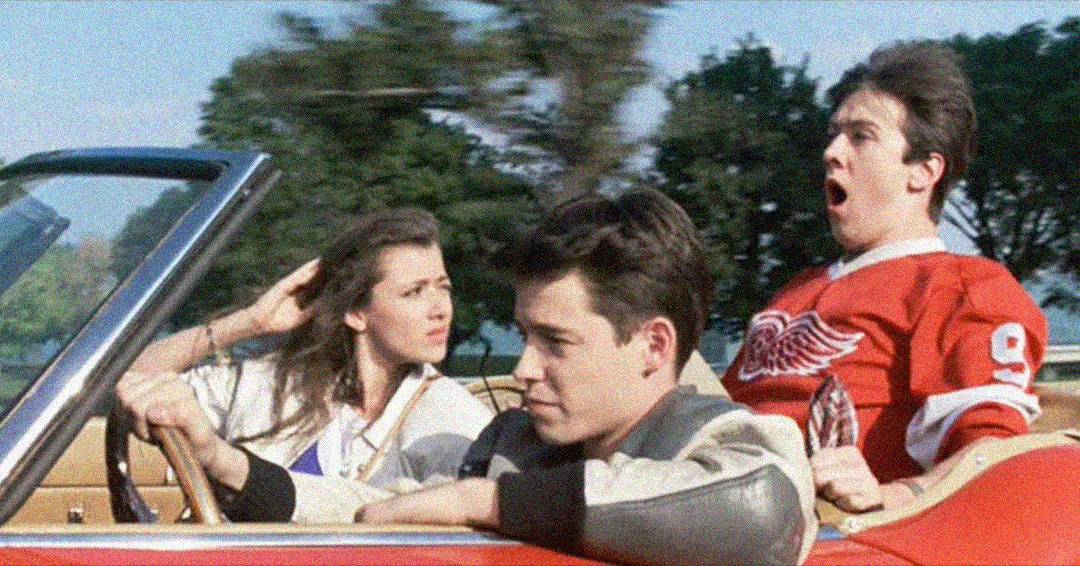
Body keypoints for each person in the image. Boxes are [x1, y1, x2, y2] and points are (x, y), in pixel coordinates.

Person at [356, 189, 817, 565]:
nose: (524, 370)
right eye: (525, 337)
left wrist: (489, 503)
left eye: (556, 342)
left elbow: (760, 506)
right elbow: (395, 503)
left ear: (653, 346)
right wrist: (287, 495)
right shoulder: (518, 447)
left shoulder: (723, 440)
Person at [721, 42, 1048, 512]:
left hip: (829, 530)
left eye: (861, 136)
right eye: (834, 135)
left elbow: (992, 453)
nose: (832, 153)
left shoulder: (964, 286)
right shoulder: (796, 290)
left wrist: (890, 494)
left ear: (923, 172)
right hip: (719, 498)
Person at [116, 207, 493, 523]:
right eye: (415, 292)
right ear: (357, 313)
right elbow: (121, 377)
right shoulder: (279, 383)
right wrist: (249, 323)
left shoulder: (454, 421)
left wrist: (222, 461)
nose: (440, 309)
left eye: (443, 287)